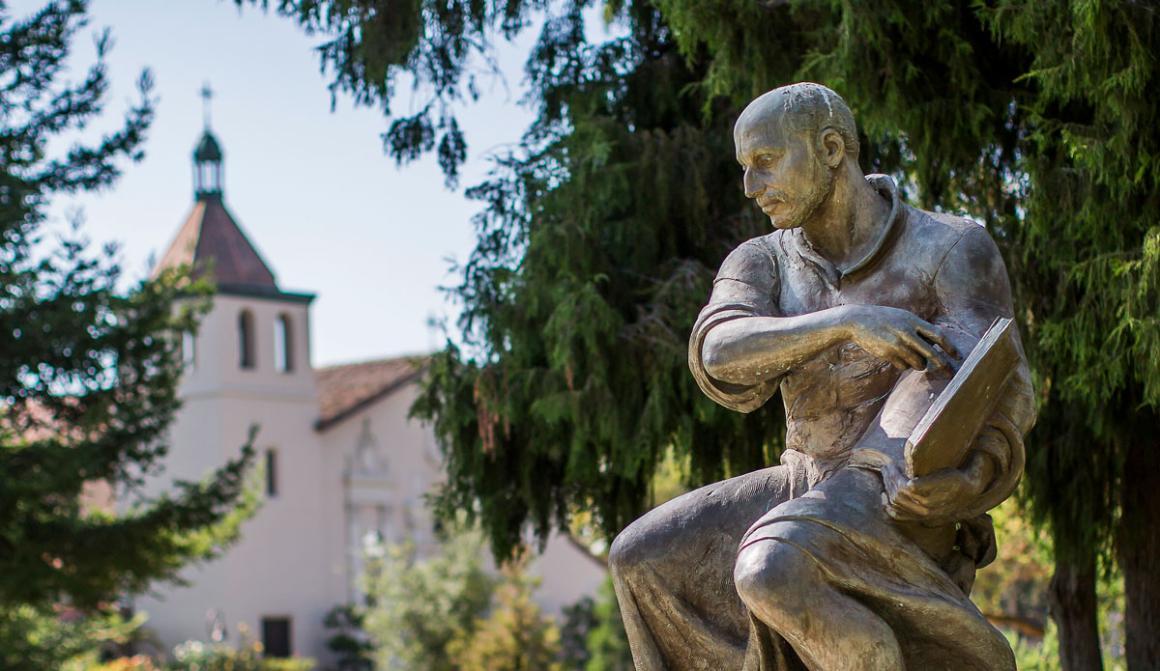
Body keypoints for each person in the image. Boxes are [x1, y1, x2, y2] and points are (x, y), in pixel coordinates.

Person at [608, 82, 1036, 671]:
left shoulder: (950, 247)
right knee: (642, 558)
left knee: (772, 566)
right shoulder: (762, 260)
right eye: (744, 168)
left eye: (765, 162)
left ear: (832, 148)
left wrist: (968, 484)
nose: (751, 187)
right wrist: (844, 323)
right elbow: (717, 349)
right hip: (805, 480)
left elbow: (997, 387)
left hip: (898, 494)